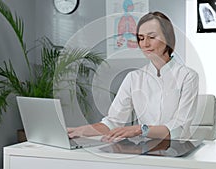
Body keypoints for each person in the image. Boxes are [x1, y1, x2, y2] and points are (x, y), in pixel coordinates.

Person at [68, 11, 199, 142]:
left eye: (151, 37)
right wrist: (78, 131)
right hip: (146, 151)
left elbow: (179, 128)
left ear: (168, 39)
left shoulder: (188, 76)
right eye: (141, 38)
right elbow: (112, 122)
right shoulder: (134, 78)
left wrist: (141, 129)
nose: (145, 44)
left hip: (178, 150)